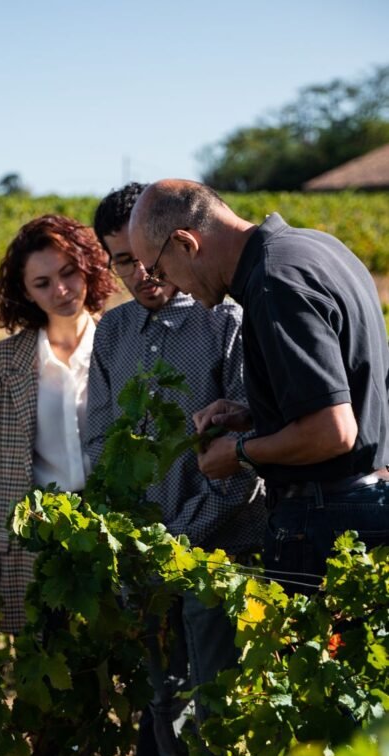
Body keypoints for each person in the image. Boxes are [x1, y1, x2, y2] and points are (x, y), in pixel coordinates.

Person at [88, 184, 265, 756]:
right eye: (120, 262)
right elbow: (101, 441)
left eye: (142, 259)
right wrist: (136, 538)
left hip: (222, 550)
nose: (139, 275)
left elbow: (246, 454)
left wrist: (186, 537)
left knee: (217, 701)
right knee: (163, 701)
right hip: (147, 555)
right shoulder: (113, 332)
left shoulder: (227, 320)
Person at [128, 179, 389, 585]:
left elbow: (333, 432)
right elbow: (344, 389)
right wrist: (256, 415)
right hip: (362, 503)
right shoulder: (314, 247)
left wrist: (240, 452)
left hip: (327, 518)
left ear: (186, 243)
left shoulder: (274, 283)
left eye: (161, 270)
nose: (171, 286)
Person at [0, 214, 116, 756]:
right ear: (23, 293)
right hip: (38, 546)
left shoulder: (123, 342)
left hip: (112, 543)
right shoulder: (5, 363)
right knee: (50, 688)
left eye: (69, 272)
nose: (61, 289)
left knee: (117, 679)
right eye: (42, 282)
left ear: (89, 268)